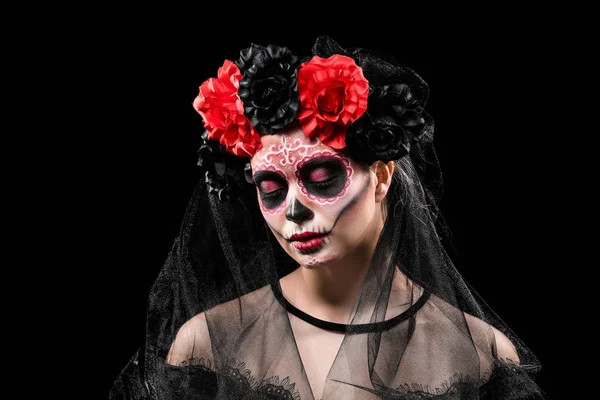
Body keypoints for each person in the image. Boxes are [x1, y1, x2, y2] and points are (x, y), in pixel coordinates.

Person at [108, 35, 547, 399]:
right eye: (271, 189)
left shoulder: (478, 355)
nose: (294, 211)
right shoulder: (207, 343)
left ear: (381, 177)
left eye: (321, 178)